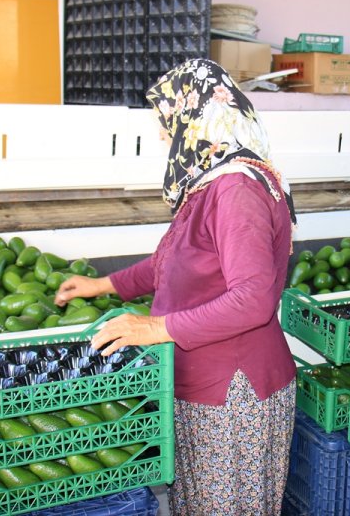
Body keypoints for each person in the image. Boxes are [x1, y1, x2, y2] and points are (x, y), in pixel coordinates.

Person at [55, 58, 298, 515]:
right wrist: (102, 284)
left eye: (169, 123)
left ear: (199, 116)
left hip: (233, 396)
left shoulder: (235, 190)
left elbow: (253, 302)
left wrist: (154, 328)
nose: (165, 137)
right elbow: (170, 264)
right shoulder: (208, 184)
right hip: (202, 385)